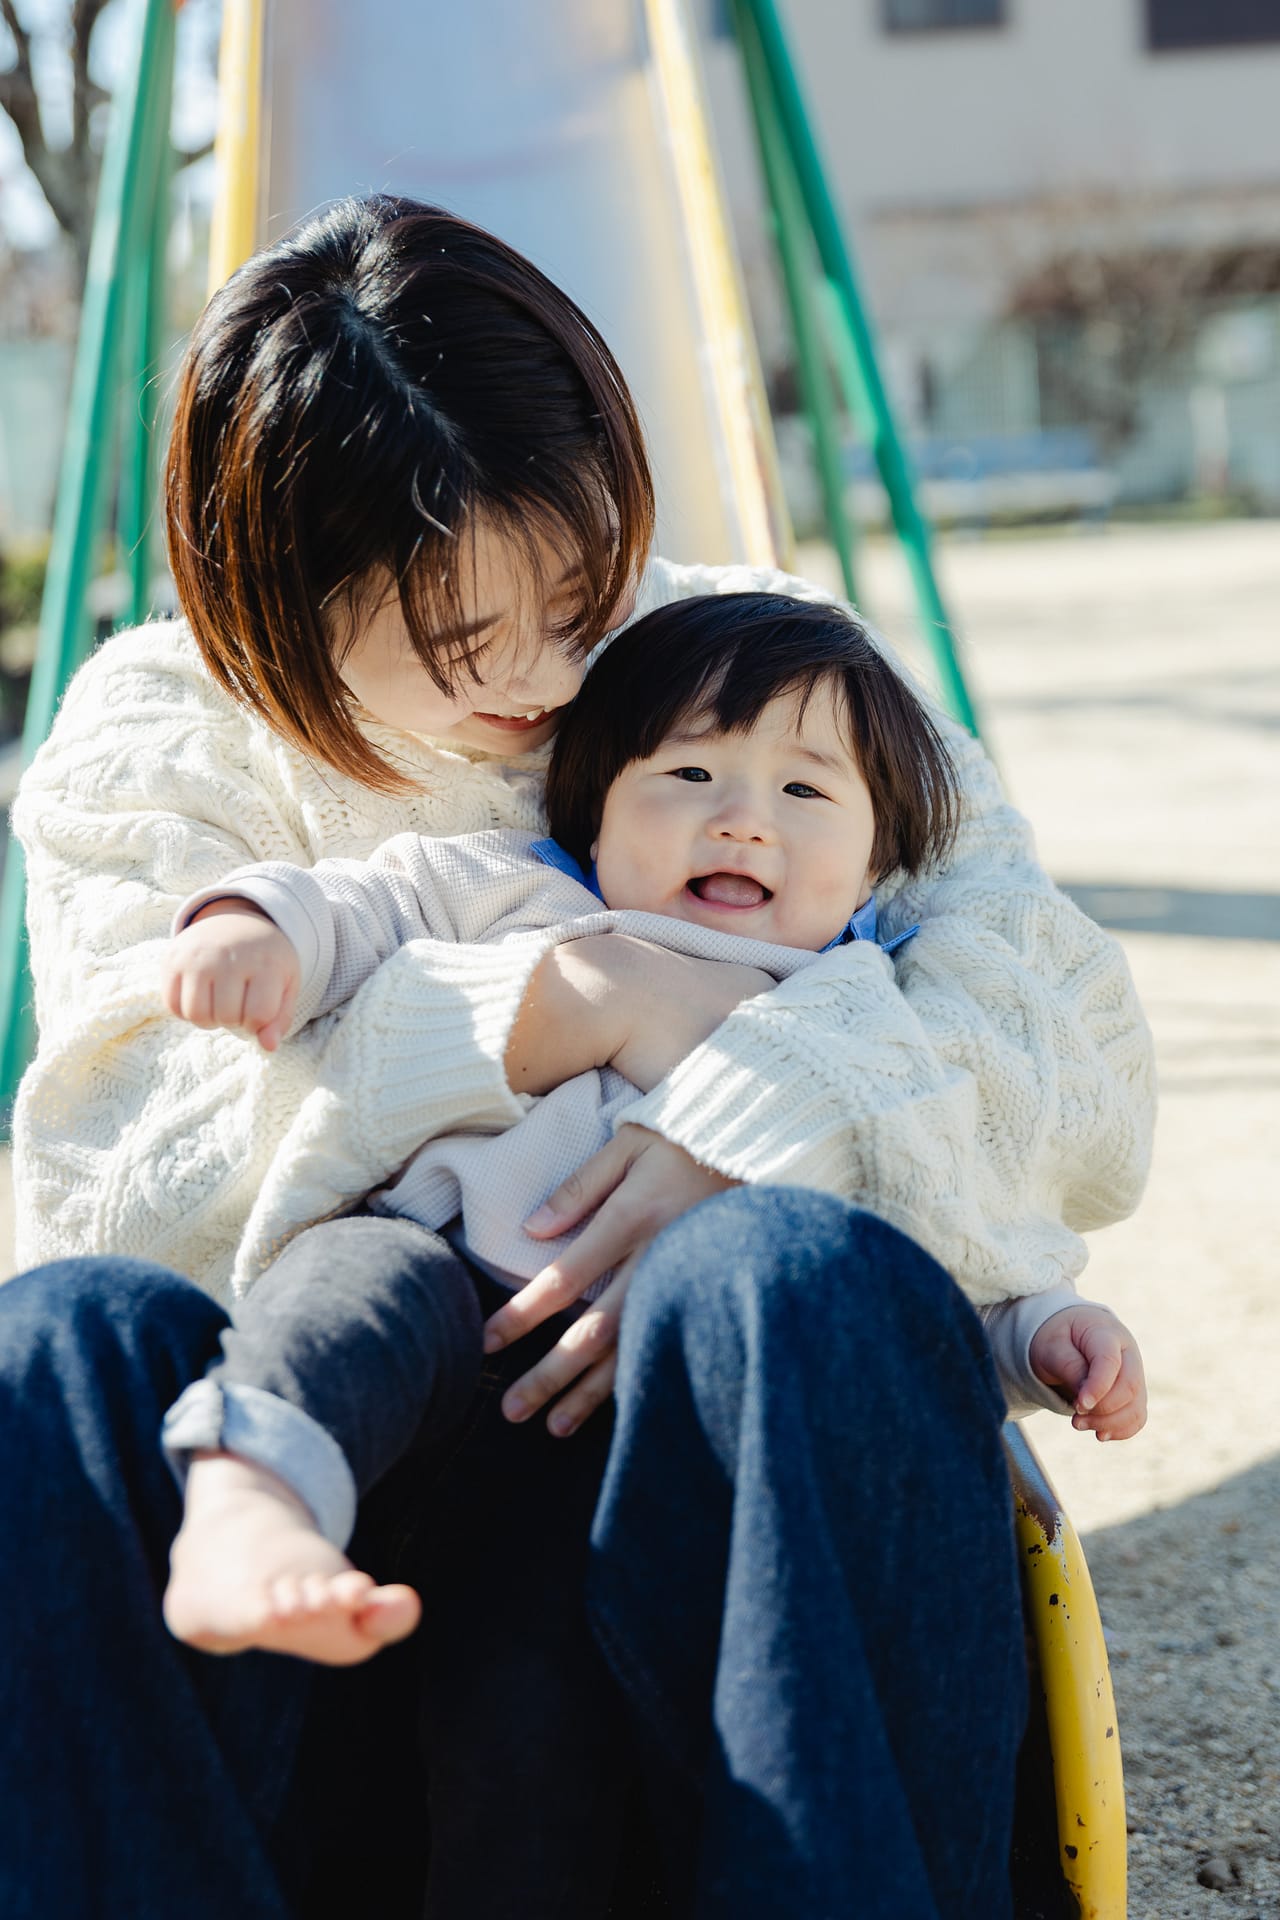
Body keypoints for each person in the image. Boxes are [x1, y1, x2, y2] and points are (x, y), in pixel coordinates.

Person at [0, 194, 1156, 1920]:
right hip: (350, 1498)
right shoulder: (160, 735)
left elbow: (1073, 1074)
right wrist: (566, 1007)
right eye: (467, 638)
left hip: (711, 1512)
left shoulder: (763, 672)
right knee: (58, 1343)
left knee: (787, 1271)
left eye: (579, 578)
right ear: (276, 594)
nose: (554, 668)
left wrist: (743, 1109)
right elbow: (123, 1169)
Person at [157, 590, 1148, 1667]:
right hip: (445, 1293)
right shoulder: (520, 891)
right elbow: (358, 906)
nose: (740, 818)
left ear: (873, 869)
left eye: (805, 788)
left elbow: (930, 1216)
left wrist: (1035, 1330)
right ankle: (247, 1500)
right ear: (589, 811)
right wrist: (252, 927)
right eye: (686, 774)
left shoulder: (869, 1013)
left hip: (660, 1388)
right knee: (345, 1281)